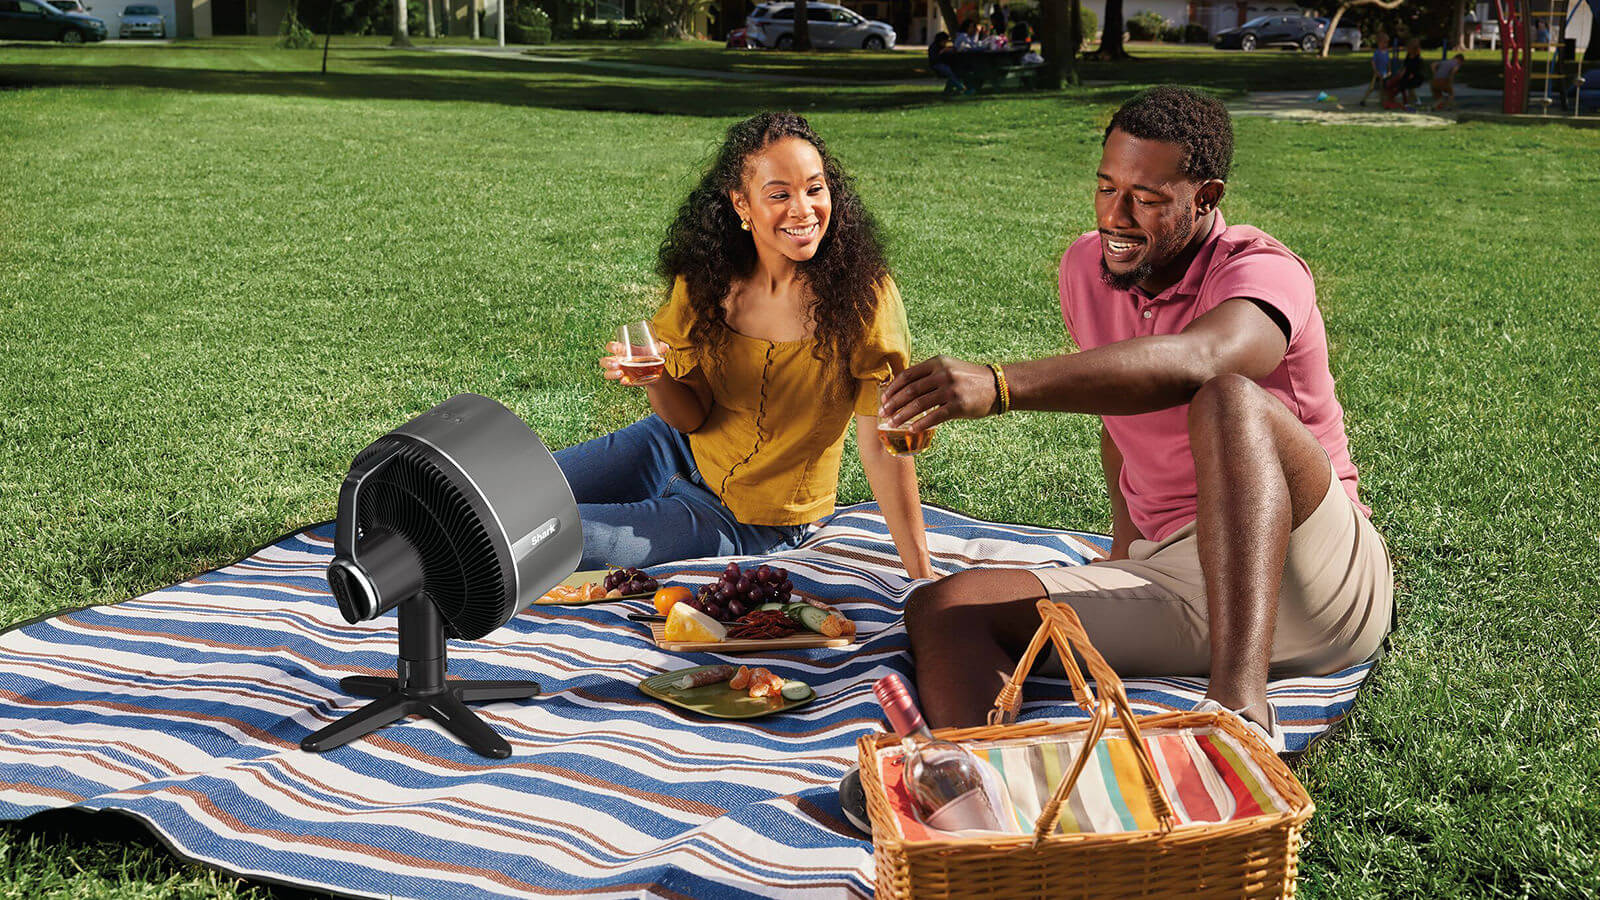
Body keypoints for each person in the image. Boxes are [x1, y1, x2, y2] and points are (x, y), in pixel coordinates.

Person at [879, 87, 1393, 750]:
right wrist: (1121, 559)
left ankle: (1239, 714)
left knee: (1227, 398)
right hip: (1182, 577)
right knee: (945, 609)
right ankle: (982, 783)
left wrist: (1000, 385)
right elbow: (1120, 414)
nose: (1115, 216)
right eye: (1105, 188)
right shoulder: (1085, 270)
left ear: (1206, 197)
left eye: (1145, 198)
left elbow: (1202, 362)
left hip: (1312, 574)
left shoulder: (1261, 270)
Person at [556, 113, 933, 580]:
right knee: (517, 491)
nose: (804, 210)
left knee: (554, 537)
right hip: (669, 446)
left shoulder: (862, 300)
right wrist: (656, 379)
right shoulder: (707, 280)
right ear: (742, 204)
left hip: (749, 521)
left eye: (815, 189)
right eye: (780, 195)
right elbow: (690, 417)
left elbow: (883, 446)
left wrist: (921, 576)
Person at [1383, 38, 1425, 108]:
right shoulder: (1408, 56)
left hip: (1415, 76)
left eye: (1409, 48)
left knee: (1404, 84)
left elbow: (1417, 70)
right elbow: (1405, 65)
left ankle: (1409, 101)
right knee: (1399, 83)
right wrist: (1401, 72)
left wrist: (1410, 75)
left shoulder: (1418, 59)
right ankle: (1395, 99)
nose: (1407, 50)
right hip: (1407, 74)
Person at [1359, 32, 1391, 107]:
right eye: (1383, 43)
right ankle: (1364, 100)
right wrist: (1376, 71)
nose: (1385, 45)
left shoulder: (1386, 52)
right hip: (1377, 73)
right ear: (1379, 43)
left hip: (1384, 73)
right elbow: (1373, 62)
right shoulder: (1377, 52)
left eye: (1386, 43)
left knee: (1383, 88)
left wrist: (1389, 70)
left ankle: (1383, 101)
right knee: (1372, 87)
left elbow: (1388, 61)